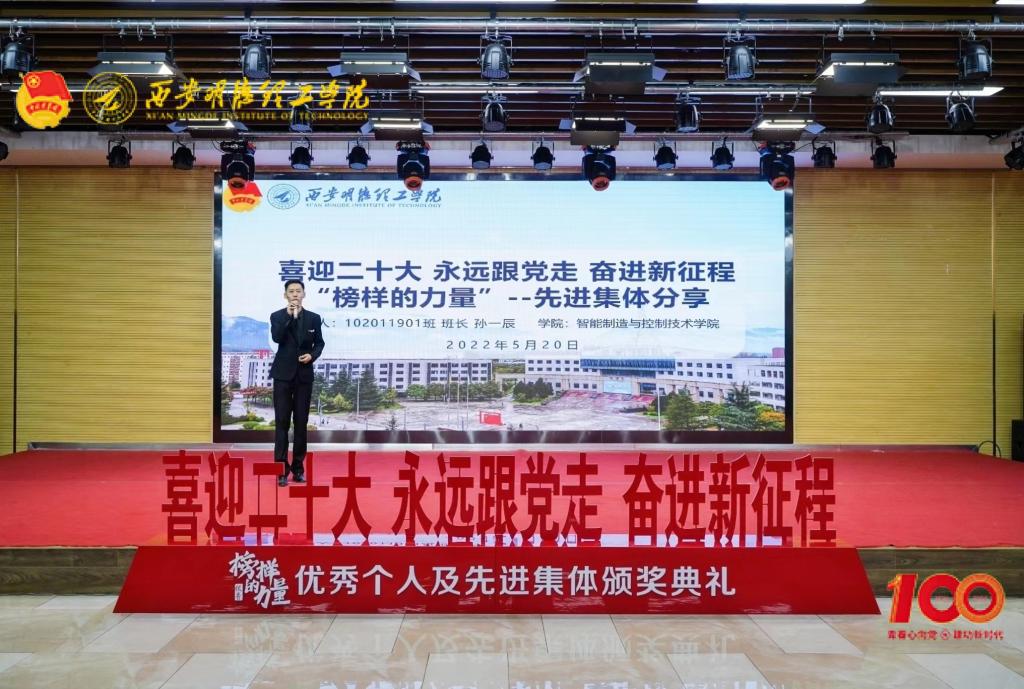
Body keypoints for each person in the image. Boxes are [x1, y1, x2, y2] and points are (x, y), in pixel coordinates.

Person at [270, 279, 325, 487]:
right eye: (291, 291)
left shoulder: (314, 318)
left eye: (298, 291)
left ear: (304, 294)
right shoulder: (277, 316)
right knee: (282, 424)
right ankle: (281, 471)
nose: (295, 294)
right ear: (285, 295)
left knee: (301, 423)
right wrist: (289, 317)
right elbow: (277, 338)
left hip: (303, 376)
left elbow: (319, 343)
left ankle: (298, 469)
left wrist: (312, 355)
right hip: (282, 376)